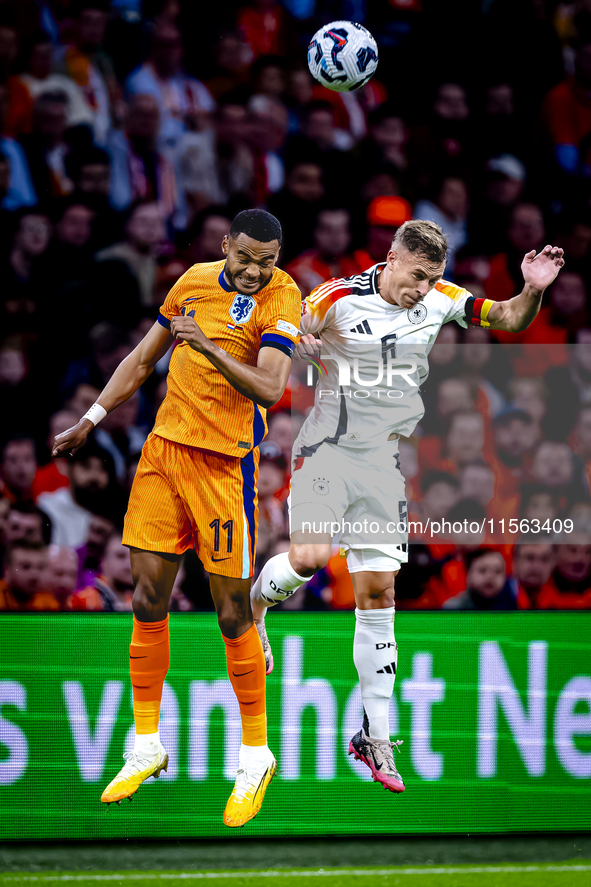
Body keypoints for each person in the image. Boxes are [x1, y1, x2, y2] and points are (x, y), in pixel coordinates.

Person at [250, 219, 565, 796]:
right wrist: (302, 343)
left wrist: (533, 289)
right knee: (312, 559)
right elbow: (281, 336)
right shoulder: (338, 296)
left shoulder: (443, 299)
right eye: (418, 276)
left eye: (433, 278)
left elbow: (509, 319)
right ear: (391, 258)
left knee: (380, 594)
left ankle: (376, 735)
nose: (424, 289)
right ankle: (255, 607)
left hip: (383, 466)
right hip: (326, 453)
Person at [52, 209, 301, 827]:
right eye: (244, 257)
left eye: (265, 261)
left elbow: (270, 390)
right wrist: (93, 419)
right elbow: (143, 359)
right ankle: (145, 744)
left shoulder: (283, 296)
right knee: (146, 600)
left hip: (225, 468)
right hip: (164, 454)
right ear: (226, 247)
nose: (253, 270)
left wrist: (209, 346)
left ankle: (255, 754)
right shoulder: (191, 281)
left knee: (229, 612)